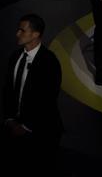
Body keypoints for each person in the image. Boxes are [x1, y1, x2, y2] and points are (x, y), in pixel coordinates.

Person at [1, 14, 63, 156]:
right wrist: (9, 119)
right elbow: (7, 90)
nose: (17, 34)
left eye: (22, 30)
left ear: (35, 34)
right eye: (18, 30)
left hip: (40, 131)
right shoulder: (15, 56)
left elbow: (47, 99)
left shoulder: (49, 62)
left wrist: (26, 126)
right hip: (12, 126)